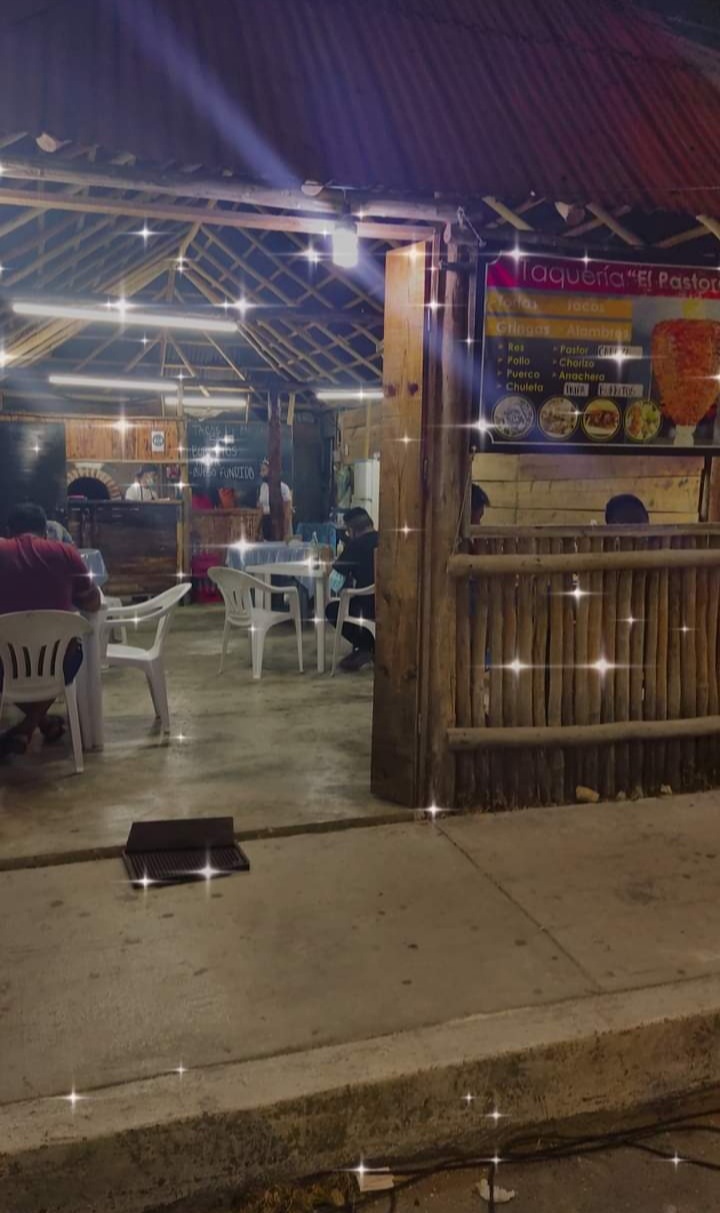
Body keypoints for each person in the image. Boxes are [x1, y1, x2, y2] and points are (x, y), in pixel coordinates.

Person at [0, 502, 101, 757]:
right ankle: (35, 724)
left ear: (8, 531)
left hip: (4, 664)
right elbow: (93, 603)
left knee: (9, 673)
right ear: (46, 531)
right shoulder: (66, 552)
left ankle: (27, 727)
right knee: (69, 654)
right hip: (59, 662)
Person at [326, 507, 378, 672]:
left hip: (366, 606)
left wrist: (329, 567)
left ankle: (365, 647)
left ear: (352, 530)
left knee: (332, 609)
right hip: (389, 602)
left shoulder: (354, 546)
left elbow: (335, 582)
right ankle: (370, 647)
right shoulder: (387, 540)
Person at [257, 458, 292, 540]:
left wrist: (285, 532)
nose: (261, 474)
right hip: (266, 522)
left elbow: (287, 512)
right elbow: (261, 510)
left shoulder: (283, 488)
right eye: (261, 471)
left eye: (264, 470)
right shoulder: (263, 488)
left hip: (278, 523)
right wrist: (257, 529)